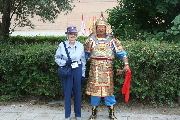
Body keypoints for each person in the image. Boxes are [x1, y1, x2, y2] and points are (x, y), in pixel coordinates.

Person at [84, 14, 130, 120]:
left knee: (108, 92)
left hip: (107, 69)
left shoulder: (112, 40)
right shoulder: (90, 40)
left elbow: (122, 53)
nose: (101, 28)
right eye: (99, 26)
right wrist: (87, 60)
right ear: (96, 28)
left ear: (106, 28)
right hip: (94, 69)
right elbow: (84, 56)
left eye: (103, 26)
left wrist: (126, 64)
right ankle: (94, 113)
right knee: (95, 92)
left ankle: (111, 113)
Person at [55, 26, 86, 120]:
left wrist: (83, 74)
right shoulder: (62, 45)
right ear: (67, 35)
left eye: (74, 33)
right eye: (71, 33)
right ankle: (67, 115)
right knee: (67, 93)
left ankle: (78, 115)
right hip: (67, 70)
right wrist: (64, 63)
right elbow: (56, 58)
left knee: (77, 93)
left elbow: (83, 60)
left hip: (77, 69)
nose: (73, 35)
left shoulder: (80, 45)